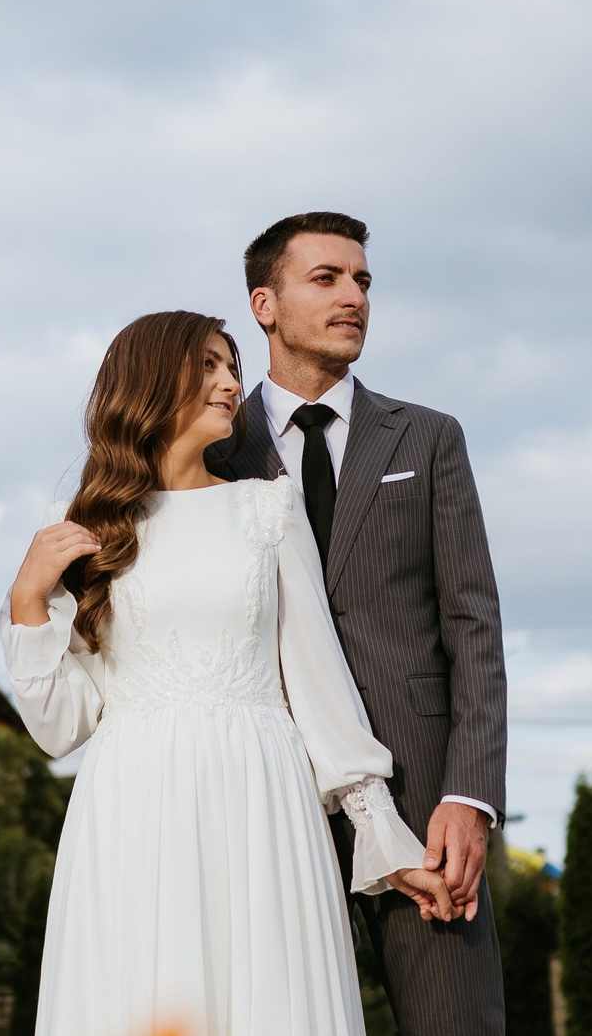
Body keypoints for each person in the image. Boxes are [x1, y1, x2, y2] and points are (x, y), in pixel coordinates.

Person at [3, 310, 455, 1036]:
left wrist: (383, 833)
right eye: (208, 364)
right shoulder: (83, 526)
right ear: (149, 381)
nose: (229, 382)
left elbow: (318, 681)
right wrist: (27, 598)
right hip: (132, 804)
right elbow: (60, 725)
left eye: (231, 365)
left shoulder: (266, 507)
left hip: (260, 796)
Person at [213, 211, 508, 1032]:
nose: (354, 297)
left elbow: (473, 625)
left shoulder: (429, 436)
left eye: (364, 280)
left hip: (420, 799)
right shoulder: (212, 449)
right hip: (265, 786)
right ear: (264, 304)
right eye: (328, 278)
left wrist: (470, 795)